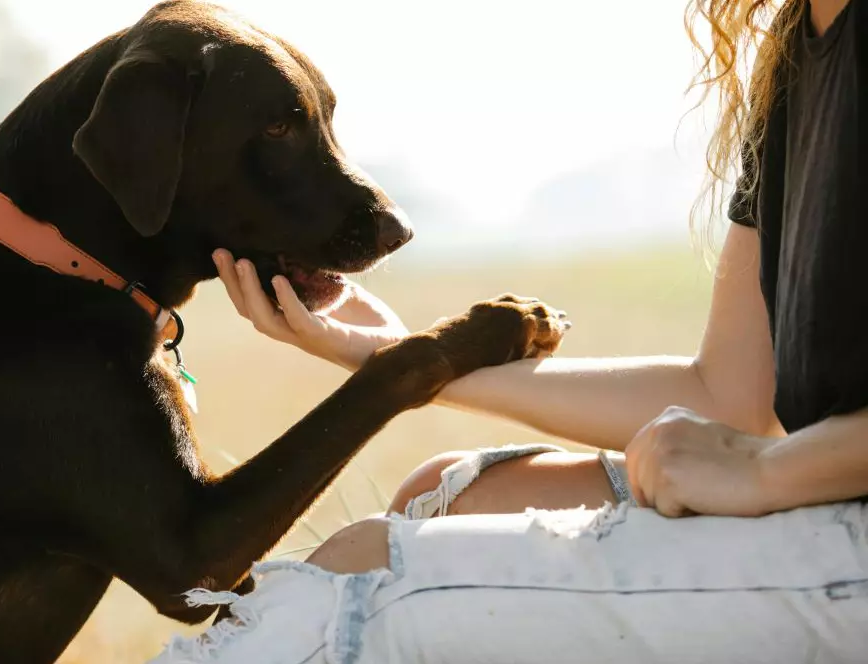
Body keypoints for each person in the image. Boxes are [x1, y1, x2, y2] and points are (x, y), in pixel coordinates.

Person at [149, 0, 868, 662]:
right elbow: (727, 397)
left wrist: (764, 471)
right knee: (443, 494)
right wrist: (403, 361)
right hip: (829, 494)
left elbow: (742, 443)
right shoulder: (793, 53)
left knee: (352, 585)